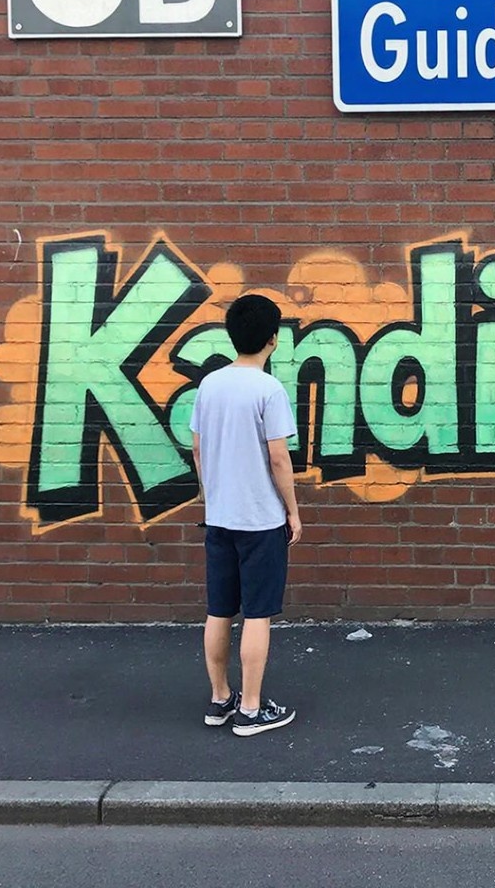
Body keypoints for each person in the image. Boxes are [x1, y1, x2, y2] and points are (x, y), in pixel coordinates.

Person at [190, 293, 302, 737]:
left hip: (219, 518)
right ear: (273, 339)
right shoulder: (268, 390)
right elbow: (279, 458)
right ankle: (252, 711)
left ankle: (220, 700)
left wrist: (211, 495)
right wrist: (293, 511)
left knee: (219, 610)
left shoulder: (210, 385)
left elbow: (198, 449)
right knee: (257, 614)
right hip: (260, 521)